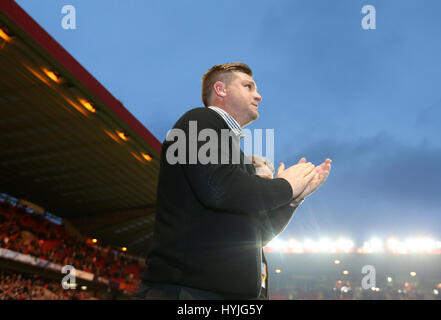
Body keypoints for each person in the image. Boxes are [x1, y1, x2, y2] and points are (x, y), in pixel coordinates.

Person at [133, 62, 332, 300]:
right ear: (220, 89)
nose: (258, 95)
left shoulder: (235, 155)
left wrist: (293, 200)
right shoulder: (198, 120)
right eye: (248, 86)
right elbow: (219, 189)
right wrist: (286, 186)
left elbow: (258, 234)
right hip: (189, 292)